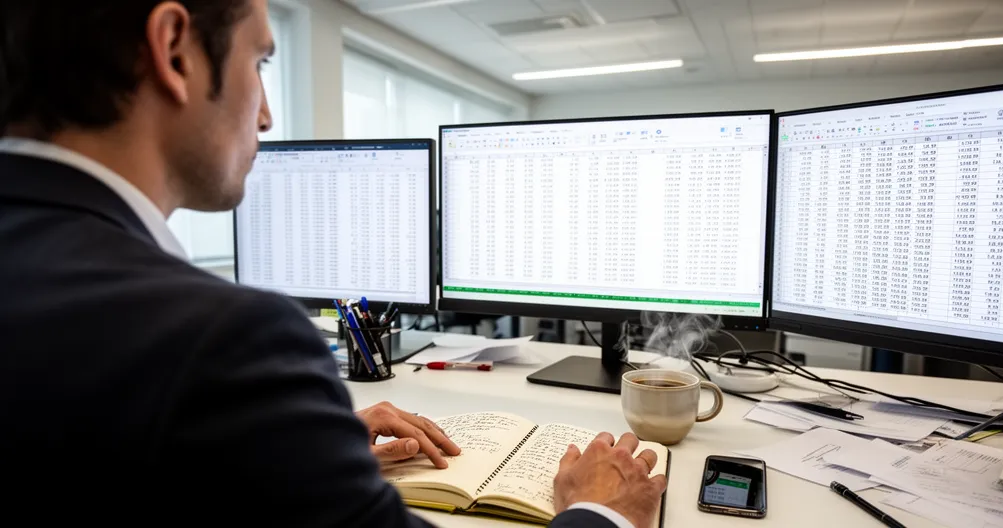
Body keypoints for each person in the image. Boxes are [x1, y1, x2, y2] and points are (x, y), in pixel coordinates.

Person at [0, 1, 667, 526]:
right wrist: (599, 512)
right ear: (174, 49)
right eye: (260, 60)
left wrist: (287, 449)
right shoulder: (222, 342)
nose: (266, 113)